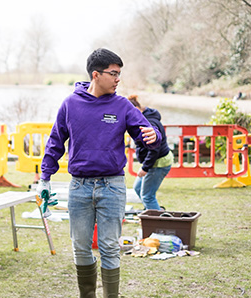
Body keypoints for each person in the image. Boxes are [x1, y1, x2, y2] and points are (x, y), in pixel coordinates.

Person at [37, 48, 161, 298]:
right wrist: (44, 178)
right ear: (96, 75)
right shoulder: (70, 104)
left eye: (119, 74)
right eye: (113, 73)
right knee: (81, 247)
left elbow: (147, 134)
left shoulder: (122, 105)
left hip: (112, 186)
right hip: (79, 187)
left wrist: (154, 136)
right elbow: (55, 143)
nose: (118, 79)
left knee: (108, 247)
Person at [128, 95, 173, 211]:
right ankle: (152, 211)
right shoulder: (142, 118)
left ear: (136, 109)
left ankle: (159, 222)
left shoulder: (149, 123)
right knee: (138, 188)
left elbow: (154, 149)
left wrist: (145, 168)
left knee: (147, 196)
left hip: (159, 163)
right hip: (153, 162)